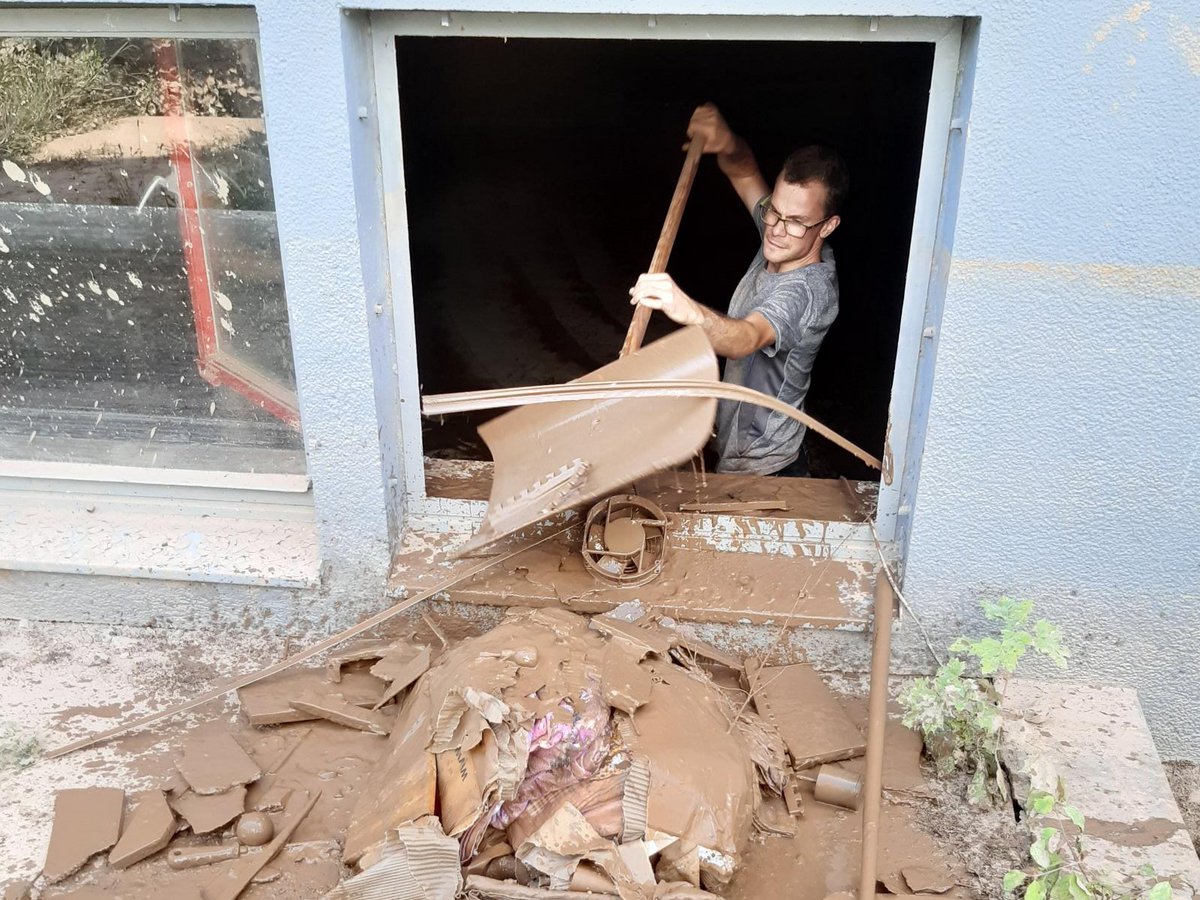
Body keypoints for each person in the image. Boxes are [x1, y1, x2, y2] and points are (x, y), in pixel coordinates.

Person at [629, 103, 848, 477]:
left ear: (827, 227)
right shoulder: (782, 232)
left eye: (795, 222)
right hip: (732, 448)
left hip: (766, 469)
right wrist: (727, 141)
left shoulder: (807, 293)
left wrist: (688, 310)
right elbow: (744, 171)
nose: (777, 229)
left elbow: (747, 337)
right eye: (775, 212)